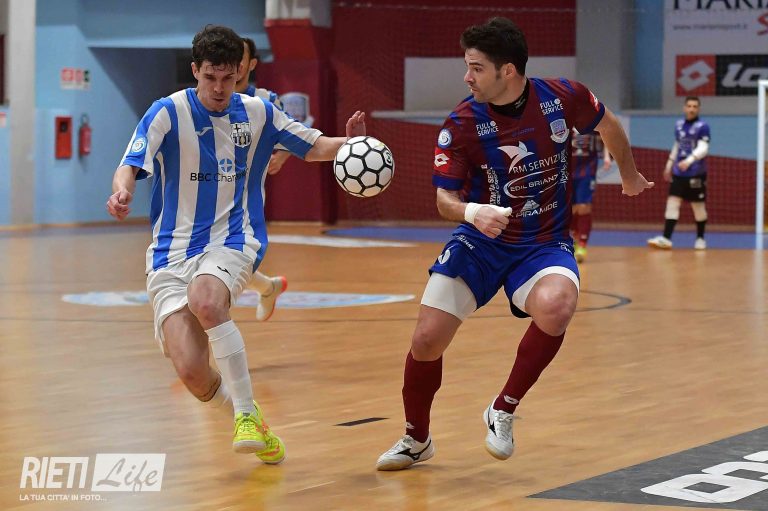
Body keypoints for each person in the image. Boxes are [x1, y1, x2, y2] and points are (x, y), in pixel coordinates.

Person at [375, 17, 652, 471]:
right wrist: (472, 212)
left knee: (558, 306)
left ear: (507, 71)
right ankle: (416, 437)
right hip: (481, 240)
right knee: (426, 339)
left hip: (543, 242)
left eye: (476, 68)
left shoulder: (563, 97)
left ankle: (502, 408)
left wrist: (629, 174)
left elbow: (609, 125)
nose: (467, 77)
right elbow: (445, 201)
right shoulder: (462, 123)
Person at [106, 25, 365, 465]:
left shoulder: (260, 112)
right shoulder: (167, 112)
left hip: (234, 239)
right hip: (170, 253)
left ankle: (245, 412)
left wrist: (353, 145)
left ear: (241, 72)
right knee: (192, 372)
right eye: (211, 77)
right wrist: (121, 191)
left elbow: (315, 147)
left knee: (207, 300)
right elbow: (130, 164)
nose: (219, 88)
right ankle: (253, 423)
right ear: (196, 71)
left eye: (229, 78)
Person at [236, 37, 289, 321]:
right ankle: (268, 287)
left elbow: (295, 133)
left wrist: (282, 155)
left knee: (229, 260)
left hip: (245, 196)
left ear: (252, 63)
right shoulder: (205, 99)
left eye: (240, 57)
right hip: (205, 190)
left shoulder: (265, 100)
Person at [647, 96, 711, 250]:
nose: (691, 109)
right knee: (672, 203)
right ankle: (666, 238)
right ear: (684, 108)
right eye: (689, 106)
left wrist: (688, 161)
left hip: (696, 173)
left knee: (698, 207)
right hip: (678, 173)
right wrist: (669, 164)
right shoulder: (679, 125)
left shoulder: (703, 126)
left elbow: (703, 148)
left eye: (695, 106)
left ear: (698, 109)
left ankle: (700, 238)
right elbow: (677, 145)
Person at [570, 128, 611, 262]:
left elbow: (605, 135)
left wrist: (606, 156)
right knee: (572, 209)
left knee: (583, 206)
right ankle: (574, 240)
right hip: (567, 170)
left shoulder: (591, 121)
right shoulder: (563, 121)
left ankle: (582, 244)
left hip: (587, 170)